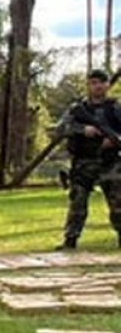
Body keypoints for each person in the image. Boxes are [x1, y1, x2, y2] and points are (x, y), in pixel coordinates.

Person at [56, 69, 121, 250]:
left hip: (110, 162)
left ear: (107, 85)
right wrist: (82, 130)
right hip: (83, 162)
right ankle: (70, 240)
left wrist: (114, 139)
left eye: (101, 82)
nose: (98, 86)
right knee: (78, 202)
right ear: (88, 85)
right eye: (93, 82)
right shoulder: (78, 109)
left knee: (118, 204)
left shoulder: (115, 108)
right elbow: (60, 129)